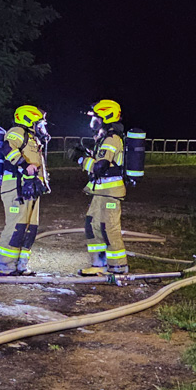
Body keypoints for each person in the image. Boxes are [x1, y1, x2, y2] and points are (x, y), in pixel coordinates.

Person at [67, 99, 128, 276]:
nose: (93, 121)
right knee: (92, 225)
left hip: (110, 193)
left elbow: (100, 167)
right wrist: (86, 153)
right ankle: (98, 264)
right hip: (100, 192)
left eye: (96, 117)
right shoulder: (104, 138)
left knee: (109, 229)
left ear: (106, 117)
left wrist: (80, 159)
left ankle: (118, 267)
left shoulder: (112, 139)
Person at [0, 105, 49, 276]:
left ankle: (21, 266)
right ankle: (4, 267)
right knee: (16, 226)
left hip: (31, 188)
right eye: (39, 123)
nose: (41, 127)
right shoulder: (17, 131)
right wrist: (24, 165)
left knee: (30, 227)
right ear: (28, 119)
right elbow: (6, 149)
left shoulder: (32, 138)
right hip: (16, 187)